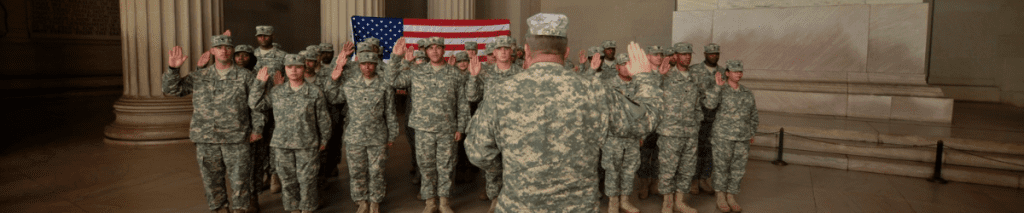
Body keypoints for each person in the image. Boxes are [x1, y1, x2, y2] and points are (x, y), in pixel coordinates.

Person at [465, 13, 662, 212]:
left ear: (526, 50)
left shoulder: (500, 93)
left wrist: (510, 168)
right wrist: (645, 77)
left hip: (519, 206)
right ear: (566, 52)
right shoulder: (594, 91)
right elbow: (646, 120)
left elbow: (477, 153)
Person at [162, 33, 259, 213]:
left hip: (237, 138)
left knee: (240, 179)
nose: (224, 50)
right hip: (207, 138)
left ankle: (241, 210)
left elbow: (257, 105)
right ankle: (219, 209)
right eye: (219, 47)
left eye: (228, 47)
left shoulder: (246, 77)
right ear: (213, 51)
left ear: (232, 51)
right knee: (212, 180)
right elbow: (172, 90)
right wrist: (173, 69)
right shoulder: (200, 76)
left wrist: (257, 129)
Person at [388, 36, 470, 213]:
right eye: (430, 48)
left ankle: (444, 202)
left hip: (447, 129)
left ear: (443, 50)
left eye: (438, 47)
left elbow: (462, 103)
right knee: (426, 166)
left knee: (446, 166)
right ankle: (430, 201)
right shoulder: (416, 71)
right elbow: (392, 81)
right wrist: (395, 57)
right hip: (424, 129)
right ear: (425, 51)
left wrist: (461, 127)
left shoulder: (455, 73)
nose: (434, 51)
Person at [250, 53, 339, 213]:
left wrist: (324, 140)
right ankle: (293, 209)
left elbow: (323, 119)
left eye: (298, 67)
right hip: (282, 145)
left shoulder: (314, 92)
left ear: (304, 69)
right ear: (285, 69)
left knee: (307, 181)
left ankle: (307, 208)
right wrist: (259, 84)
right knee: (288, 180)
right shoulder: (277, 92)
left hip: (307, 144)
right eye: (290, 67)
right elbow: (256, 104)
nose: (294, 70)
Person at [323, 51, 398, 213]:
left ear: (376, 65)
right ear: (359, 65)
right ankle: (362, 201)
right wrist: (333, 79)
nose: (367, 67)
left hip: (378, 136)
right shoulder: (350, 83)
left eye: (371, 63)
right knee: (357, 171)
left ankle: (375, 201)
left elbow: (390, 112)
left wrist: (392, 134)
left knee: (377, 171)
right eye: (363, 64)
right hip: (354, 136)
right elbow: (333, 97)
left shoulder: (384, 85)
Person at [463, 35, 524, 212]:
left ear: (511, 51)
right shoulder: (485, 72)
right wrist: (474, 77)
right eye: (499, 49)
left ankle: (511, 198)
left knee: (513, 162)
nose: (503, 51)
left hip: (514, 126)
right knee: (490, 162)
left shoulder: (521, 73)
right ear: (494, 53)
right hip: (490, 126)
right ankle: (495, 197)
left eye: (506, 48)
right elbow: (472, 97)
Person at [655, 42, 707, 213]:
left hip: (690, 132)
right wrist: (658, 75)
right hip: (670, 132)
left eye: (689, 54)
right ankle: (668, 203)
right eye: (683, 54)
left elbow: (698, 105)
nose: (687, 57)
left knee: (687, 168)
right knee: (668, 169)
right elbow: (650, 93)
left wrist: (697, 122)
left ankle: (680, 201)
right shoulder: (665, 76)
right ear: (675, 56)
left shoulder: (695, 78)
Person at [706, 60, 757, 213]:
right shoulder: (720, 89)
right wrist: (717, 88)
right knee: (721, 168)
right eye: (735, 71)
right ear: (727, 73)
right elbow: (709, 105)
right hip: (723, 136)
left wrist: (751, 132)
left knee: (738, 169)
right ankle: (720, 196)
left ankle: (731, 196)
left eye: (740, 71)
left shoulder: (747, 92)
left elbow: (753, 115)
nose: (738, 73)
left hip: (742, 137)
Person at [637, 45, 670, 200]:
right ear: (648, 56)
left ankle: (655, 183)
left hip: (662, 121)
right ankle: (643, 183)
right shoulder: (643, 74)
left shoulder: (667, 74)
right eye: (655, 54)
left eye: (660, 54)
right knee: (644, 155)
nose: (658, 57)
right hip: (647, 120)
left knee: (659, 154)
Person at [691, 43, 725, 195]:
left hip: (716, 117)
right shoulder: (694, 71)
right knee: (696, 149)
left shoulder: (724, 72)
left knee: (711, 149)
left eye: (716, 54)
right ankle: (693, 180)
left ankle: (704, 179)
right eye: (711, 54)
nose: (714, 56)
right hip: (698, 116)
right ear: (704, 54)